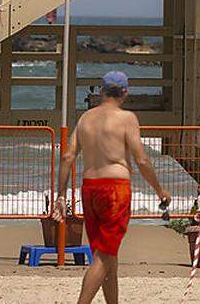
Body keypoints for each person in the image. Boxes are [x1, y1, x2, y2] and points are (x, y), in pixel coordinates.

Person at [52, 71, 171, 304]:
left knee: (107, 254)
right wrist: (159, 189)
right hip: (115, 189)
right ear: (125, 92)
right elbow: (142, 160)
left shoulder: (85, 118)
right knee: (104, 256)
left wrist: (61, 195)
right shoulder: (126, 118)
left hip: (89, 188)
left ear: (102, 91)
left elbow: (67, 156)